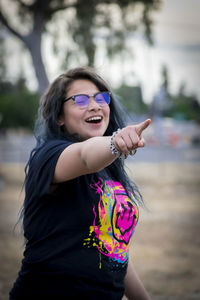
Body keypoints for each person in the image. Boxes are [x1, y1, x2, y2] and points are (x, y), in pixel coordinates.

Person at [10, 67, 151, 300]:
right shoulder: (50, 157)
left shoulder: (108, 171)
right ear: (59, 117)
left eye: (101, 98)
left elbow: (114, 252)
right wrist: (116, 141)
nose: (95, 105)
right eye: (80, 100)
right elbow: (85, 156)